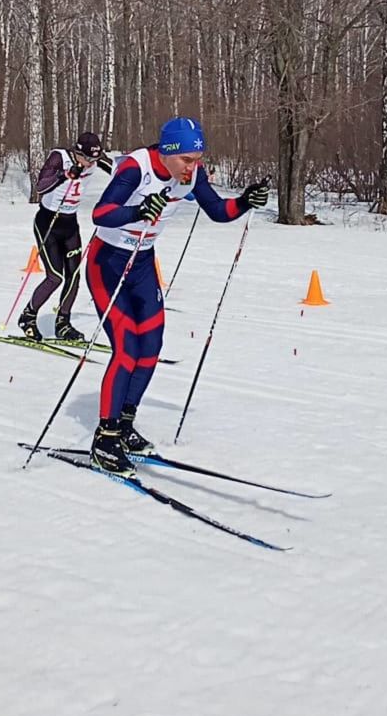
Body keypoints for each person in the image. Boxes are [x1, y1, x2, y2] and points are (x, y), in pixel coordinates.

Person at [86, 116, 270, 476]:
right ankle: (104, 439)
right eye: (187, 160)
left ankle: (124, 424)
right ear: (168, 153)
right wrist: (138, 210)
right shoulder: (136, 168)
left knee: (150, 347)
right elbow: (101, 214)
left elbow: (218, 211)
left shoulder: (192, 174)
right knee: (126, 350)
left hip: (142, 264)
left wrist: (246, 201)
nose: (193, 167)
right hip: (106, 263)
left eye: (197, 158)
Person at [18, 131, 113, 343]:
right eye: (87, 159)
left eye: (94, 160)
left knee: (74, 276)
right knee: (55, 277)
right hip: (48, 223)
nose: (91, 164)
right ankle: (28, 317)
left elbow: (121, 171)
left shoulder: (95, 160)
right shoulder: (59, 157)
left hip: (70, 224)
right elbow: (41, 186)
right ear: (77, 152)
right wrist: (65, 175)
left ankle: (63, 322)